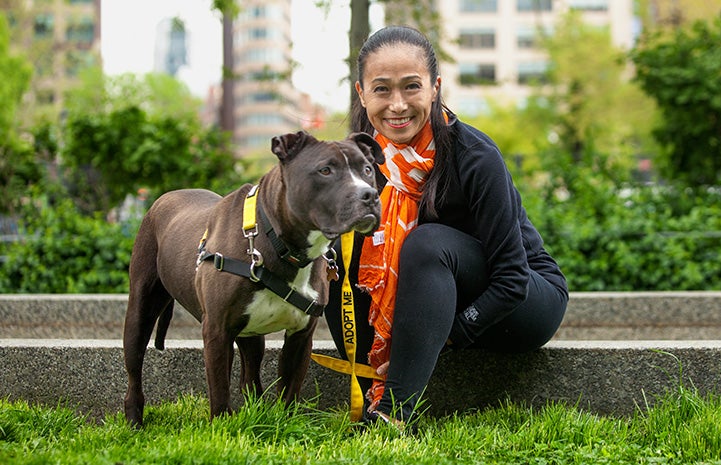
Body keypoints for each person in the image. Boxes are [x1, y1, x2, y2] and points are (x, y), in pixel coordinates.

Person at [323, 25, 568, 427]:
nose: (397, 105)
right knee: (337, 249)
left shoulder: (475, 155)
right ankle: (372, 388)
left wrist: (448, 335)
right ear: (361, 93)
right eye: (382, 89)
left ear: (435, 88)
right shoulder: (360, 164)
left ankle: (395, 415)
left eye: (411, 87)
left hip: (522, 300)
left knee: (427, 243)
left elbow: (512, 278)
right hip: (434, 302)